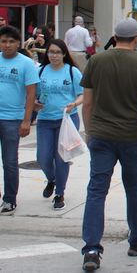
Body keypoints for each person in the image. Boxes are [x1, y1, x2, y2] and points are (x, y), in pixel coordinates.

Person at [81, 18, 137, 271]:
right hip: (132, 136)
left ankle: (92, 248)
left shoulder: (96, 61)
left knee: (96, 190)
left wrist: (90, 131)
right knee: (134, 189)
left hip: (102, 135)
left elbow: (88, 103)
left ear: (114, 37)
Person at [36, 39, 84, 210]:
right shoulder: (40, 71)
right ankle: (52, 179)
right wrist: (35, 104)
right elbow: (34, 94)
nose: (54, 55)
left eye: (57, 52)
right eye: (51, 52)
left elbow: (83, 94)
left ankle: (59, 193)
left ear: (64, 54)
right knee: (43, 157)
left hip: (67, 121)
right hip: (44, 120)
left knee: (62, 157)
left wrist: (74, 104)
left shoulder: (72, 72)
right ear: (46, 53)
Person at [0, 26, 38, 216]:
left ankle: (9, 199)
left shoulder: (26, 63)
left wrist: (26, 120)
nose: (7, 45)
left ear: (17, 43)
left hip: (12, 119)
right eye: (4, 41)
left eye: (11, 41)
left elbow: (31, 93)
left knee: (9, 161)